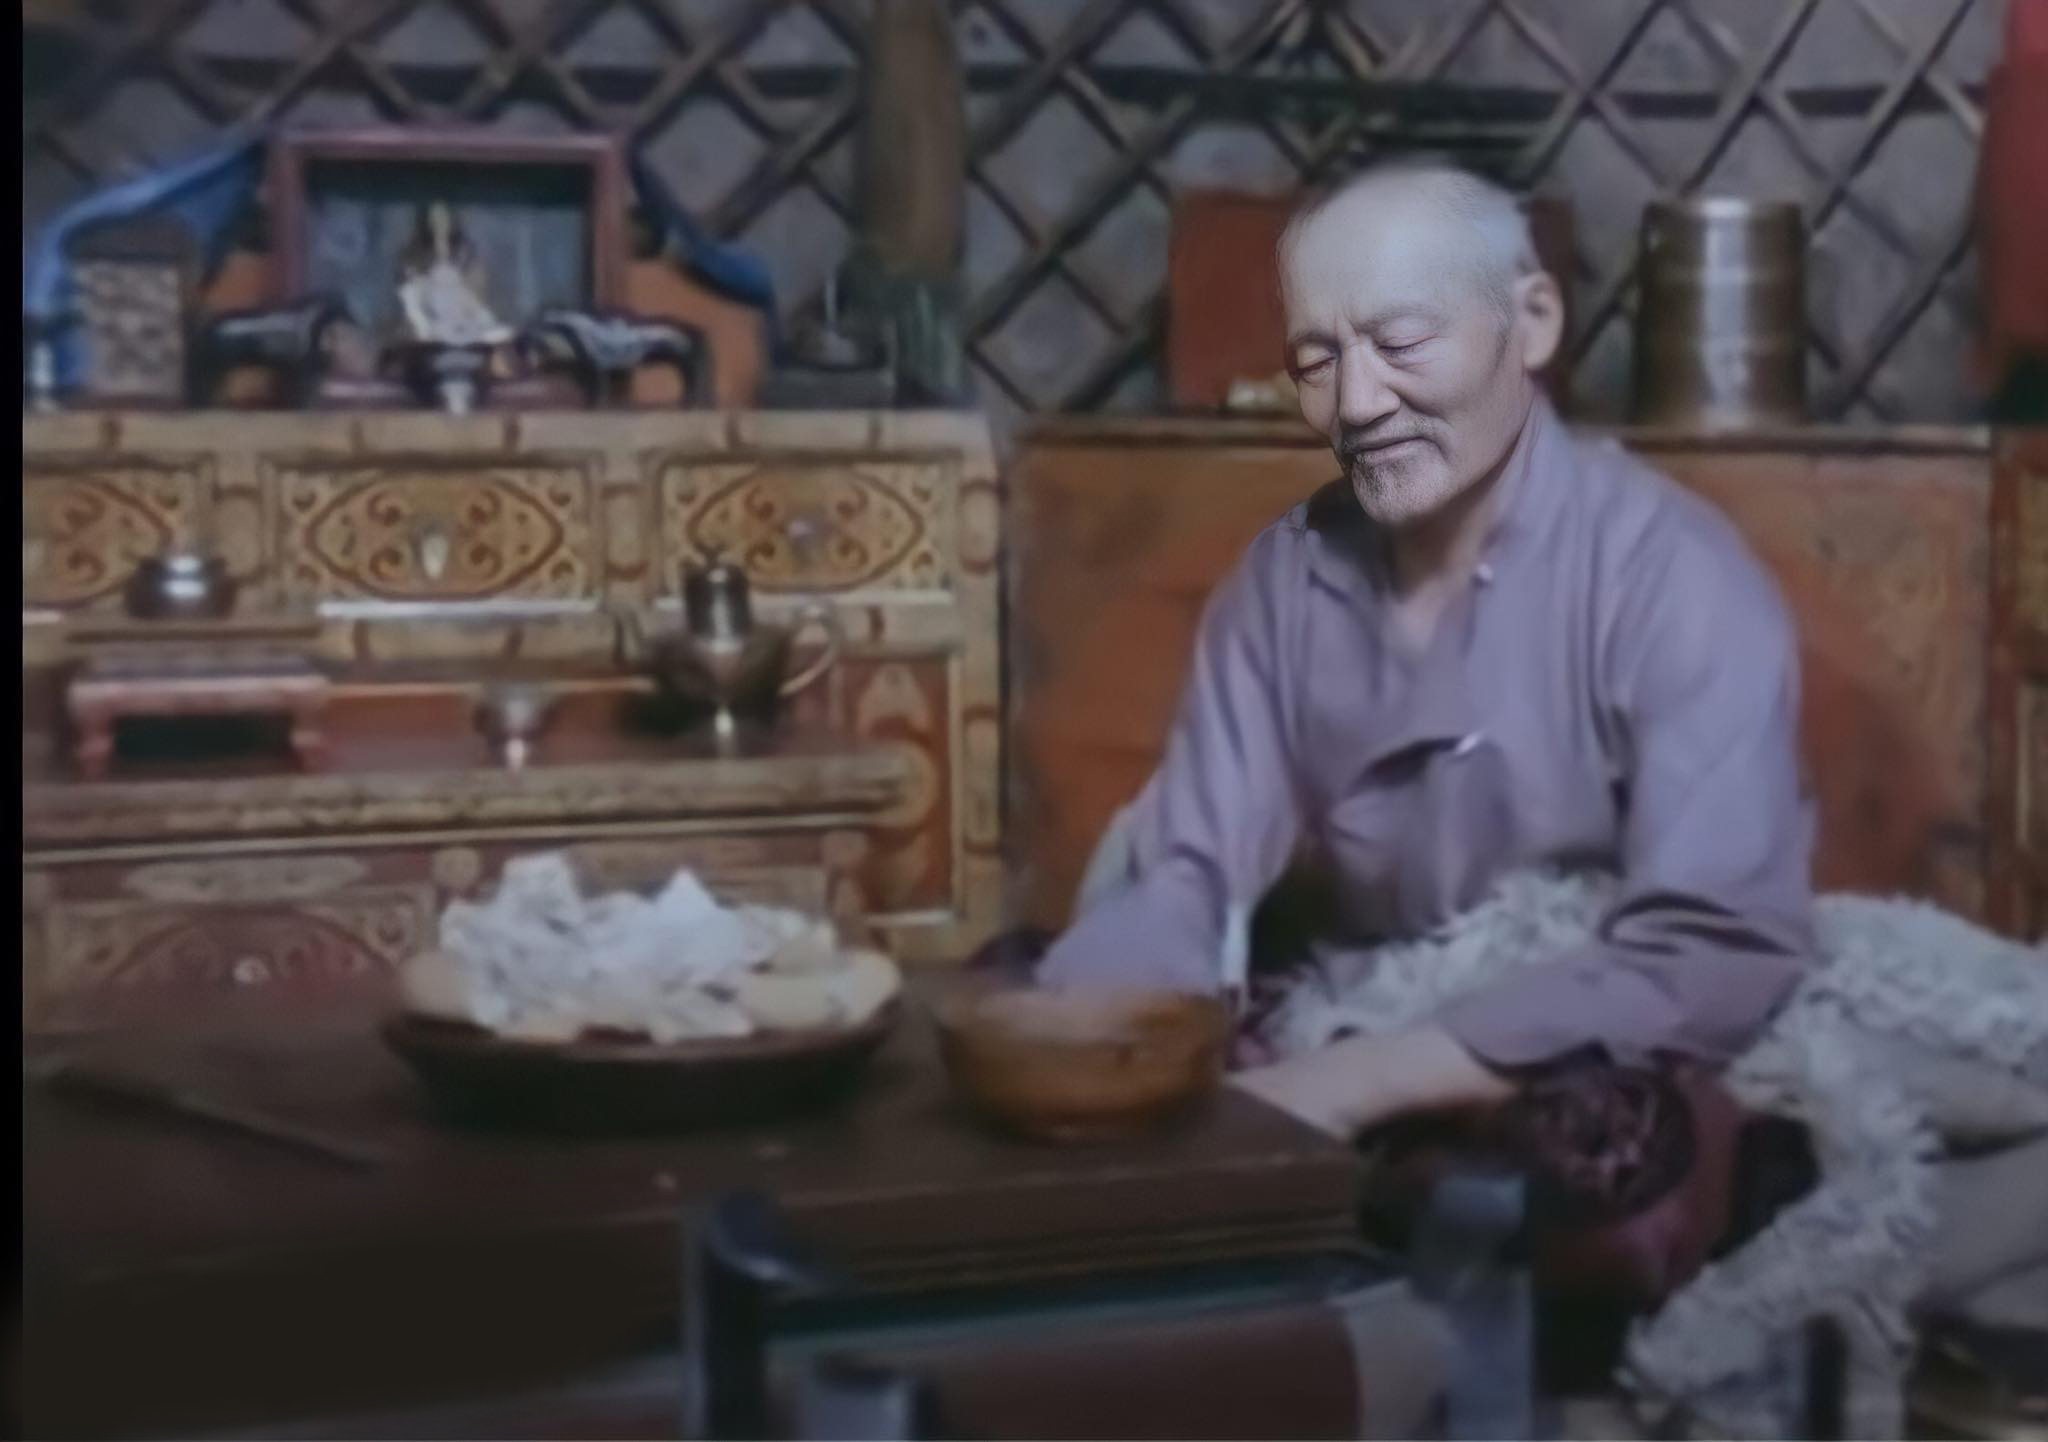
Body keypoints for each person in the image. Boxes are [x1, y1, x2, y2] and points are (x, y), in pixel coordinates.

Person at [1036, 160, 1816, 1139]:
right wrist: (1095, 1046)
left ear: (1531, 323)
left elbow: (1713, 945)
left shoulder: (1671, 577)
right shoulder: (1285, 582)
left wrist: (1356, 1081)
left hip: (1564, 1040)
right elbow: (1186, 873)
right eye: (1318, 360)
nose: (1359, 403)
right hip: (1353, 999)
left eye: (1401, 343)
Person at [395, 200, 513, 349]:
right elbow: (412, 301)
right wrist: (425, 328)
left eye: (445, 216)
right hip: (431, 326)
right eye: (436, 217)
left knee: (502, 335)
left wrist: (483, 320)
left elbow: (473, 300)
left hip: (466, 323)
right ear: (426, 220)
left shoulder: (465, 251)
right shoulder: (413, 255)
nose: (441, 222)